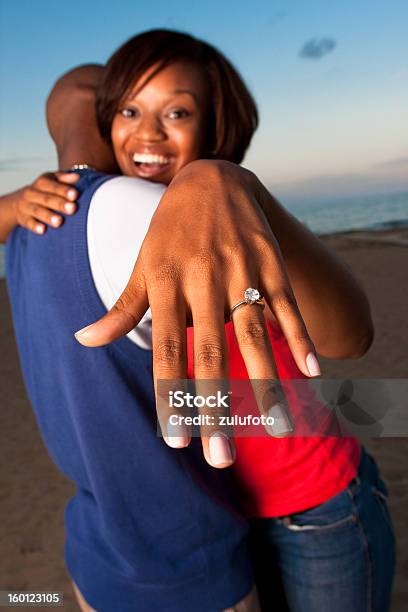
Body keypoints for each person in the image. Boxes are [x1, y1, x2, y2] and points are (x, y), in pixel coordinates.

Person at [0, 29, 395, 611]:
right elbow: (76, 88)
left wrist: (226, 180)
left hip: (311, 506)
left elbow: (352, 335)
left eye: (177, 111)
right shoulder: (119, 222)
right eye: (130, 109)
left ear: (215, 127)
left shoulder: (237, 227)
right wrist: (9, 206)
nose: (148, 132)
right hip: (215, 513)